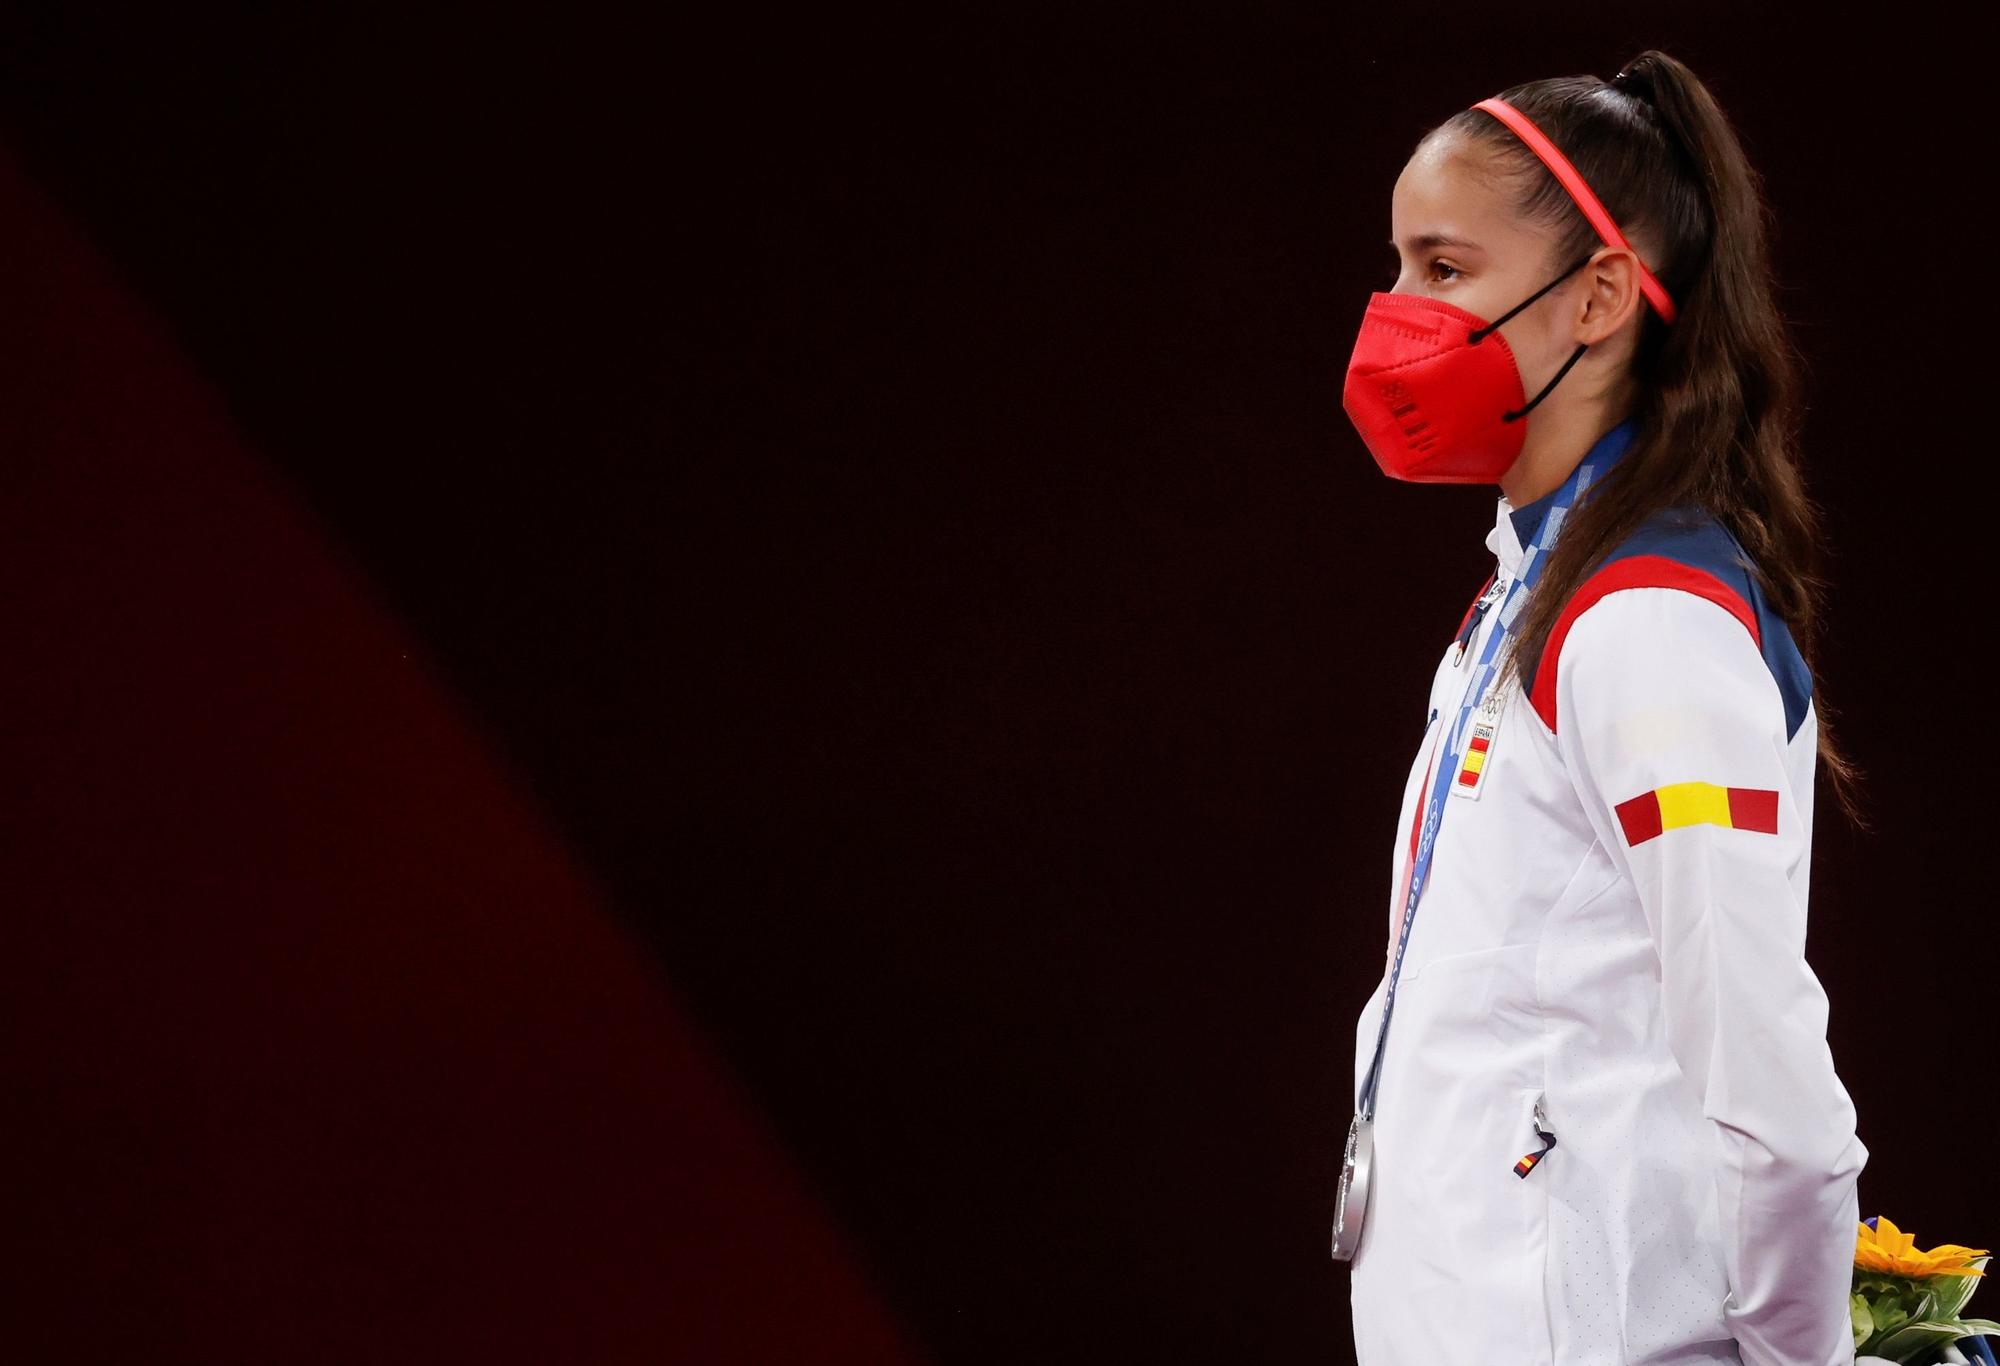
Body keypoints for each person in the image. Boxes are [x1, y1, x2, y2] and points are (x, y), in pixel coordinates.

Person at [1334, 50, 1871, 1366]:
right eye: (1398, 263)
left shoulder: (1646, 621)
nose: (1396, 309)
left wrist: (1801, 1358)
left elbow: (1776, 1101)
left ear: (1600, 298)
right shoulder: (1521, 600)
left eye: (1445, 269)